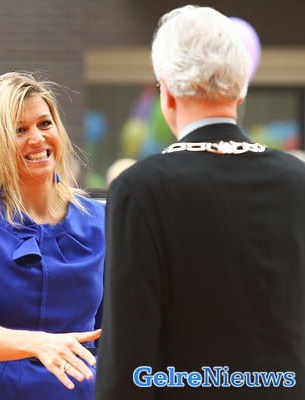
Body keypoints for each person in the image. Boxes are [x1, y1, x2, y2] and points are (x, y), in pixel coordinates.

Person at [95, 6, 305, 399]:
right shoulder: (297, 181)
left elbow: (127, 358)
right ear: (241, 90)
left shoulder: (140, 189)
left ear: (166, 91)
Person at [0, 72, 105, 399]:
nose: (37, 139)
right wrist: (37, 343)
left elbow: (115, 329)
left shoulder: (100, 219)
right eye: (19, 130)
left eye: (45, 124)